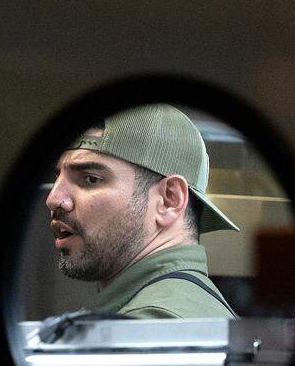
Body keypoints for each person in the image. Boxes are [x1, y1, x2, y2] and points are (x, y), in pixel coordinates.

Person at [46, 104, 239, 319]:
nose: (53, 199)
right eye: (57, 177)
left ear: (169, 200)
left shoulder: (151, 327)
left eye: (90, 179)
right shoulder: (189, 307)